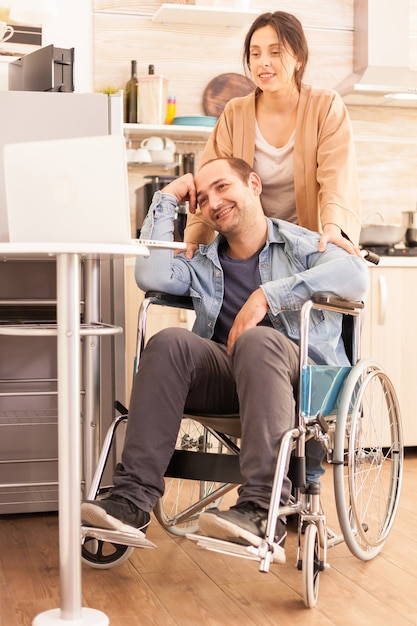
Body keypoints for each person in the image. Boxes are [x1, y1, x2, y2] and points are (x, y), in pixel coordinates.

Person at [81, 157, 368, 563]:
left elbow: (356, 277)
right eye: (202, 197)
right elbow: (151, 276)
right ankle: (131, 502)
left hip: (296, 376)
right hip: (231, 378)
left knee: (257, 341)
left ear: (253, 183)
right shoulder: (203, 264)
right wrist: (166, 199)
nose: (213, 202)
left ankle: (260, 508)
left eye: (222, 187)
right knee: (168, 343)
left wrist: (268, 295)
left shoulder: (305, 245)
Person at [184, 11, 362, 258]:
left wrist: (334, 228)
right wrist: (195, 238)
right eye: (255, 54)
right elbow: (209, 181)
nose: (262, 62)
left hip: (307, 246)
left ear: (298, 57)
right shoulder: (235, 113)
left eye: (275, 52)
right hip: (248, 250)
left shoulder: (326, 106)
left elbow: (336, 178)